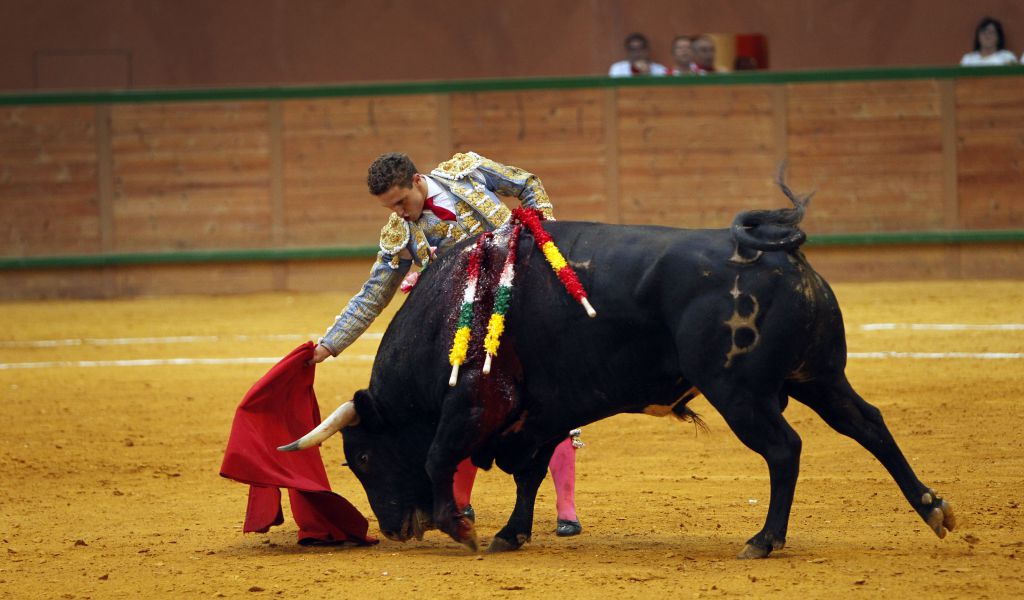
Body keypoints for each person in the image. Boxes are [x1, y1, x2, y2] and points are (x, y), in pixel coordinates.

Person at [312, 151, 583, 536]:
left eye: (402, 202)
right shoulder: (399, 233)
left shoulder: (466, 172)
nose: (400, 214)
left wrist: (544, 239)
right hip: (470, 329)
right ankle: (460, 503)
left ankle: (566, 508)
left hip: (526, 303)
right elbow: (374, 293)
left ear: (418, 181)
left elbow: (527, 183)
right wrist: (329, 344)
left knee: (552, 401)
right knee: (465, 406)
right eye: (390, 208)